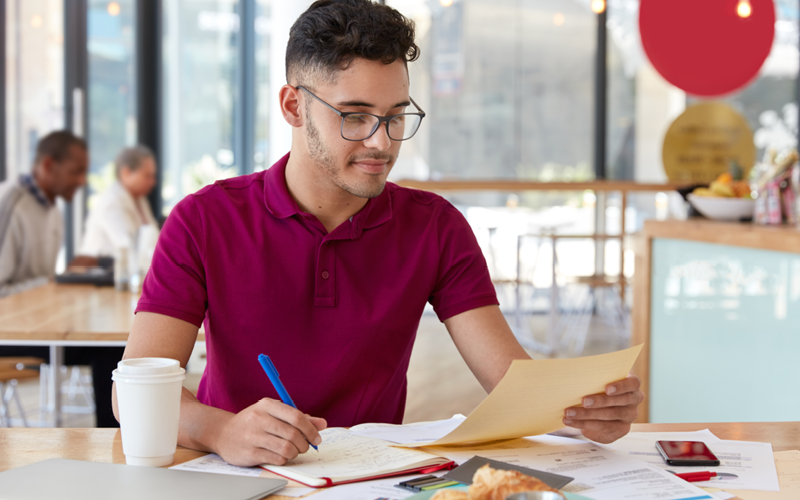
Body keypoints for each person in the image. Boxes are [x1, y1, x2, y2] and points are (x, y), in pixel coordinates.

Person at [114, 0, 643, 466]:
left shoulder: (436, 227)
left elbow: (513, 385)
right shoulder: (205, 220)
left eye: (395, 116)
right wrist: (221, 429)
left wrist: (581, 414)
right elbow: (131, 394)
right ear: (293, 107)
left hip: (375, 480)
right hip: (238, 476)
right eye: (354, 115)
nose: (381, 141)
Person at [0, 130, 123, 428]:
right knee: (110, 351)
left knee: (117, 348)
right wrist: (56, 279)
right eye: (75, 172)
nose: (82, 181)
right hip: (10, 331)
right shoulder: (11, 204)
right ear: (47, 166)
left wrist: (66, 274)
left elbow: (39, 278)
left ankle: (118, 443)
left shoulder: (50, 208)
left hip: (35, 324)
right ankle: (114, 444)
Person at [79, 145, 159, 258]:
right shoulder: (111, 204)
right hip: (101, 272)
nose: (153, 182)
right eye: (147, 176)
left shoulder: (140, 199)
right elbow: (129, 246)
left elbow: (153, 240)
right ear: (126, 173)